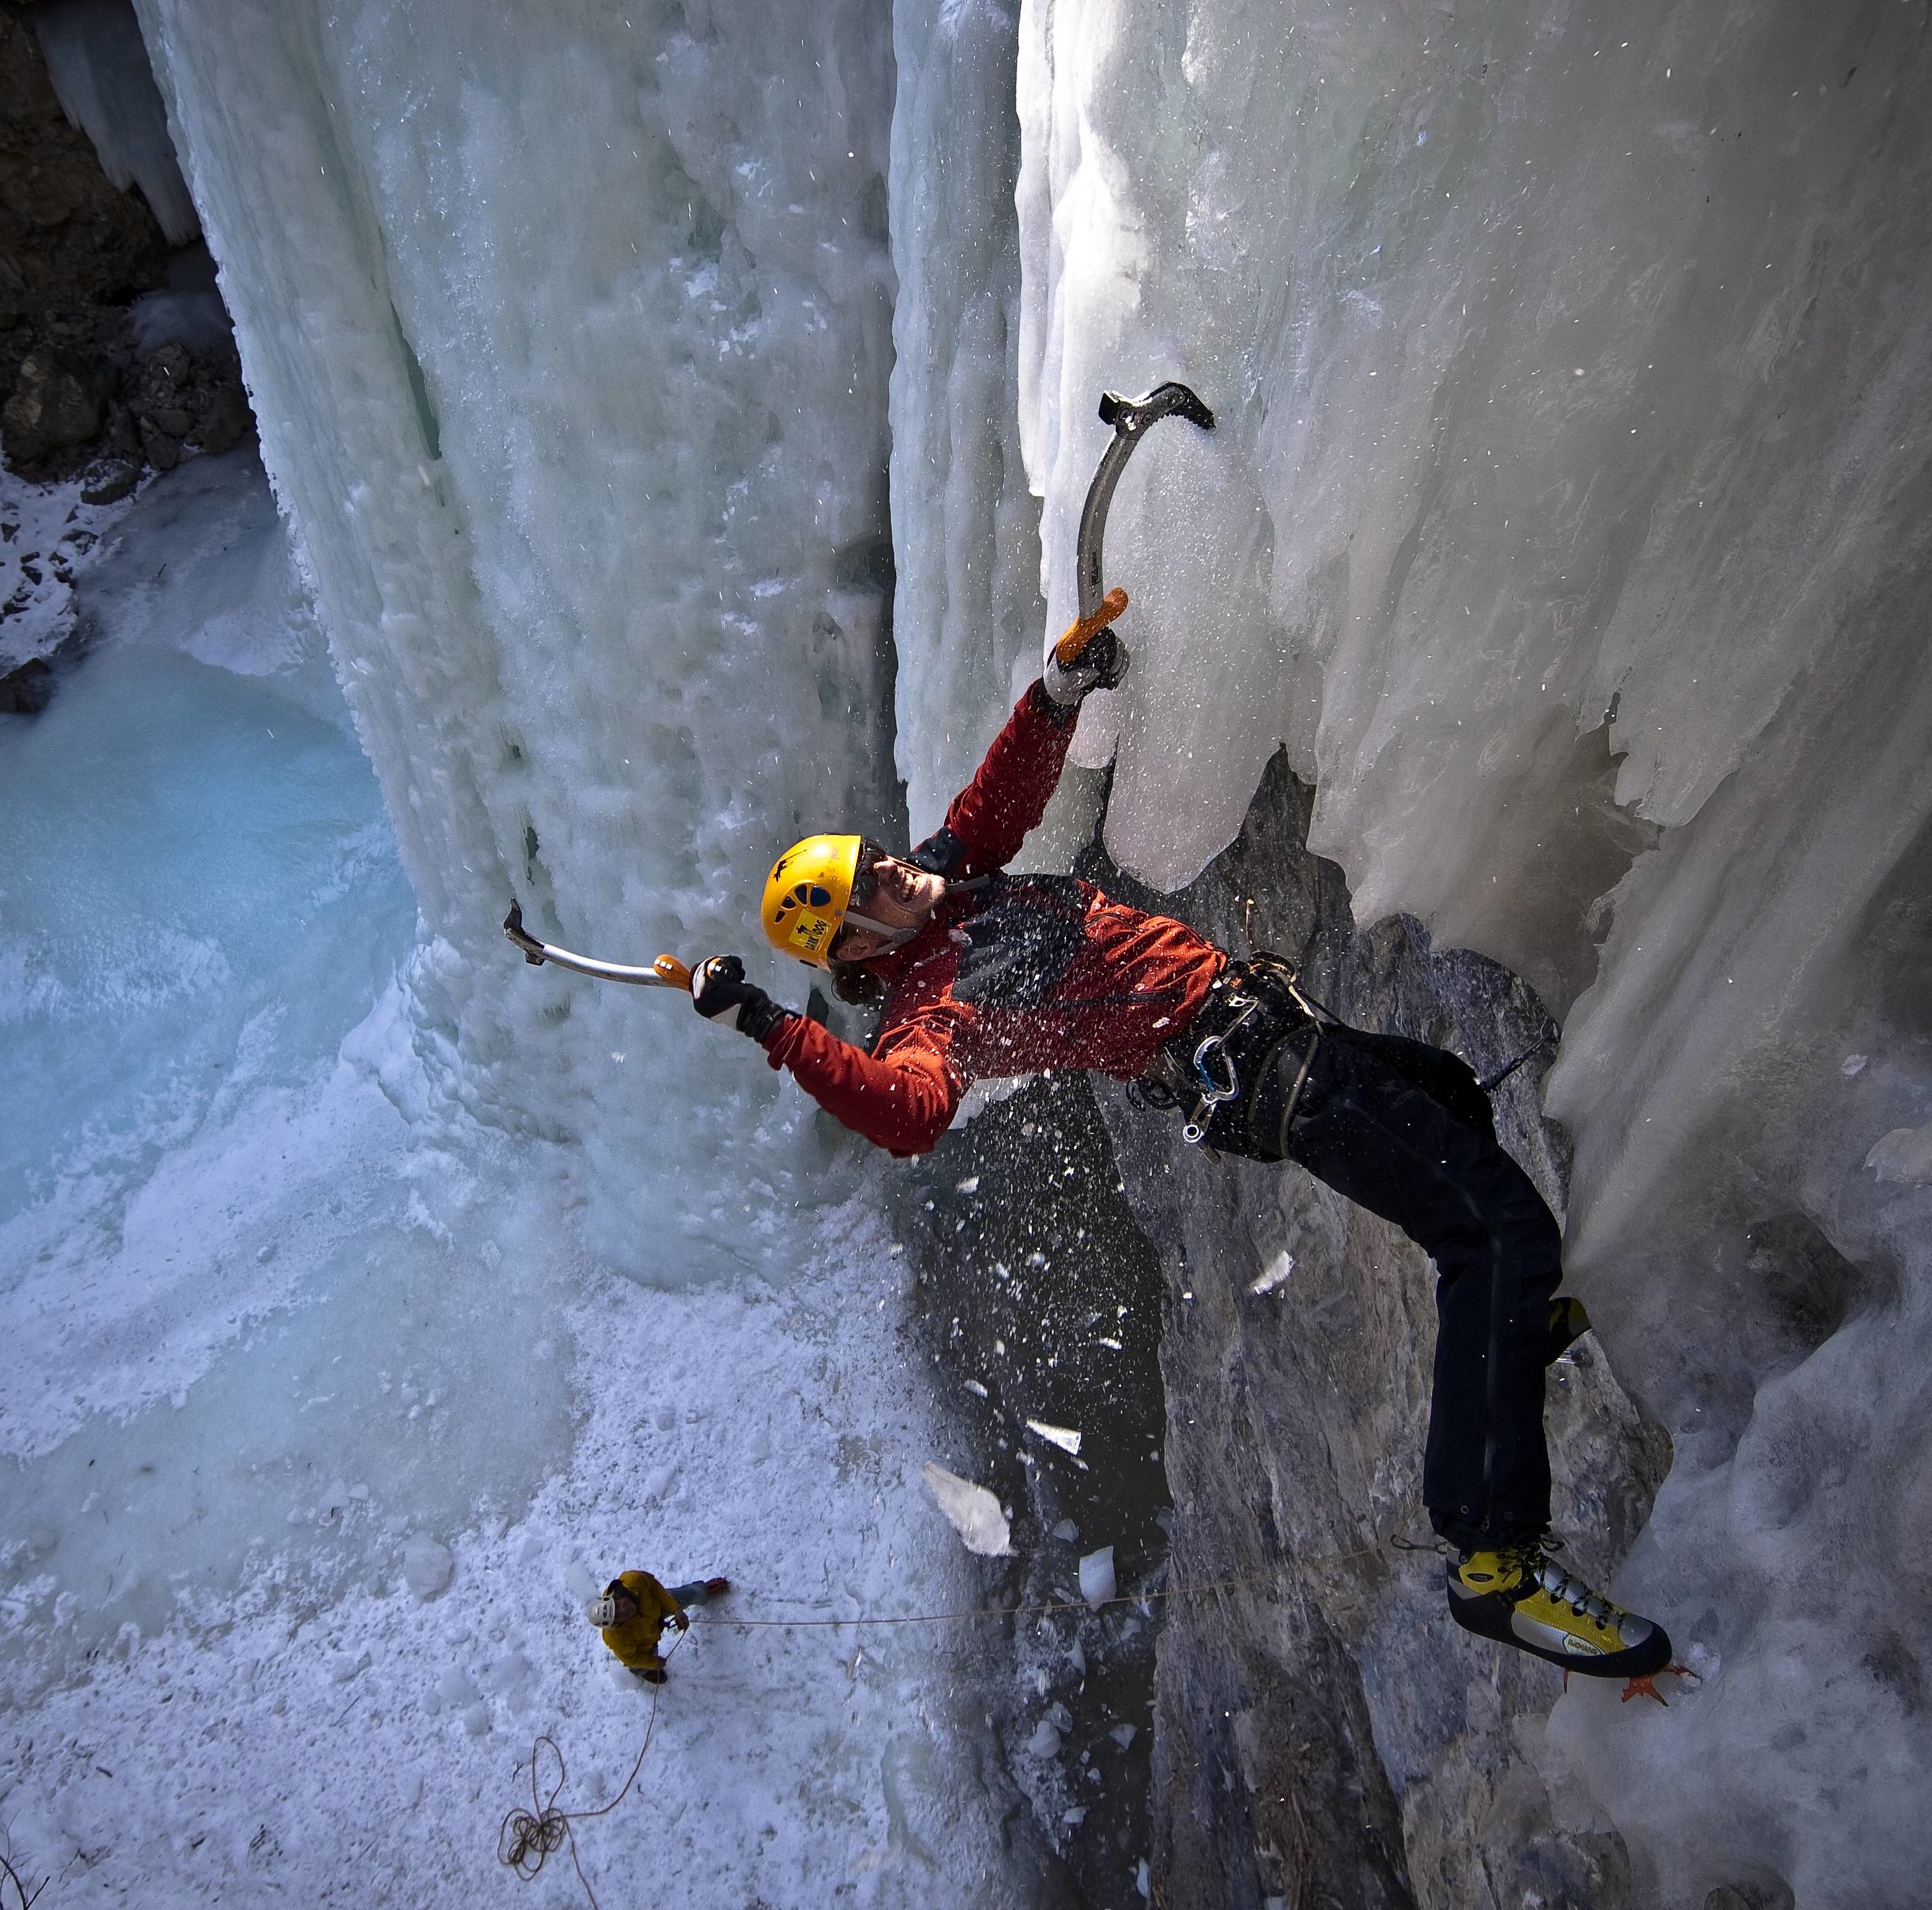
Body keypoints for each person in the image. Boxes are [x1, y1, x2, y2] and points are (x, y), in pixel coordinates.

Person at [683, 619, 1671, 1682]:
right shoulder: (934, 1005)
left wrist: (1056, 695)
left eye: (876, 861)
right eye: (871, 890)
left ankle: (1504, 1349)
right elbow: (909, 1112)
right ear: (853, 948)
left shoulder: (941, 888)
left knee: (1439, 1100)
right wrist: (774, 1031)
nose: (897, 875)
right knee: (1493, 1231)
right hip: (1257, 1072)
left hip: (1271, 1032)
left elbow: (991, 807)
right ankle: (1492, 1558)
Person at [590, 1571, 732, 1684]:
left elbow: (653, 1585)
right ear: (617, 1625)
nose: (624, 1610)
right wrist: (653, 1663)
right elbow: (632, 1658)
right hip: (645, 1642)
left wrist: (675, 1609)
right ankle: (646, 1672)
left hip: (655, 1605)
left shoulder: (632, 1580)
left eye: (619, 1605)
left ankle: (703, 1591)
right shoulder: (616, 1638)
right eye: (619, 1616)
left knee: (688, 1594)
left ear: (616, 1597)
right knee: (640, 1664)